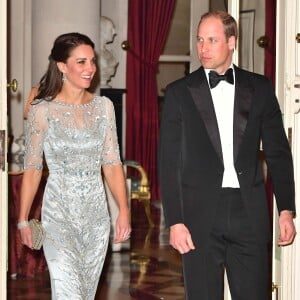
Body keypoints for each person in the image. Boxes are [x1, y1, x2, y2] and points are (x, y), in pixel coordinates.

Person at [158, 11, 296, 300]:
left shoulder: (259, 87)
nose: (203, 48)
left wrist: (286, 209)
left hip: (249, 212)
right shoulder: (179, 93)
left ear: (232, 42)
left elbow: (278, 152)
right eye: (199, 40)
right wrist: (176, 221)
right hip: (198, 216)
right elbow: (169, 163)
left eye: (212, 40)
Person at [18, 32, 131, 299]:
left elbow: (112, 163)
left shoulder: (104, 107)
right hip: (59, 216)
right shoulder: (42, 109)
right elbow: (33, 168)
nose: (90, 68)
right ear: (61, 66)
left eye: (91, 61)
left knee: (86, 293)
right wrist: (23, 220)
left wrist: (123, 210)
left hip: (96, 219)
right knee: (67, 291)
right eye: (81, 62)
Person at [100, 16, 118, 88]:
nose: (114, 32)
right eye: (111, 29)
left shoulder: (110, 54)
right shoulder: (94, 53)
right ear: (102, 30)